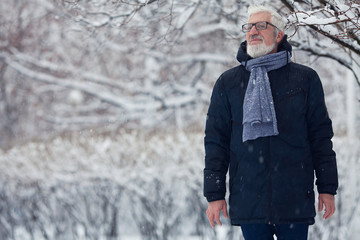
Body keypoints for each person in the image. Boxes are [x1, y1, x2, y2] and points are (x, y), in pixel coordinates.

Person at [203, 4, 338, 240]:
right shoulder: (228, 83)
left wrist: (327, 188)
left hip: (294, 196)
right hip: (248, 197)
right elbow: (216, 142)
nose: (253, 31)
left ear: (279, 35)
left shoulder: (305, 80)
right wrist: (214, 195)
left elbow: (321, 138)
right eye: (249, 26)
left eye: (261, 26)